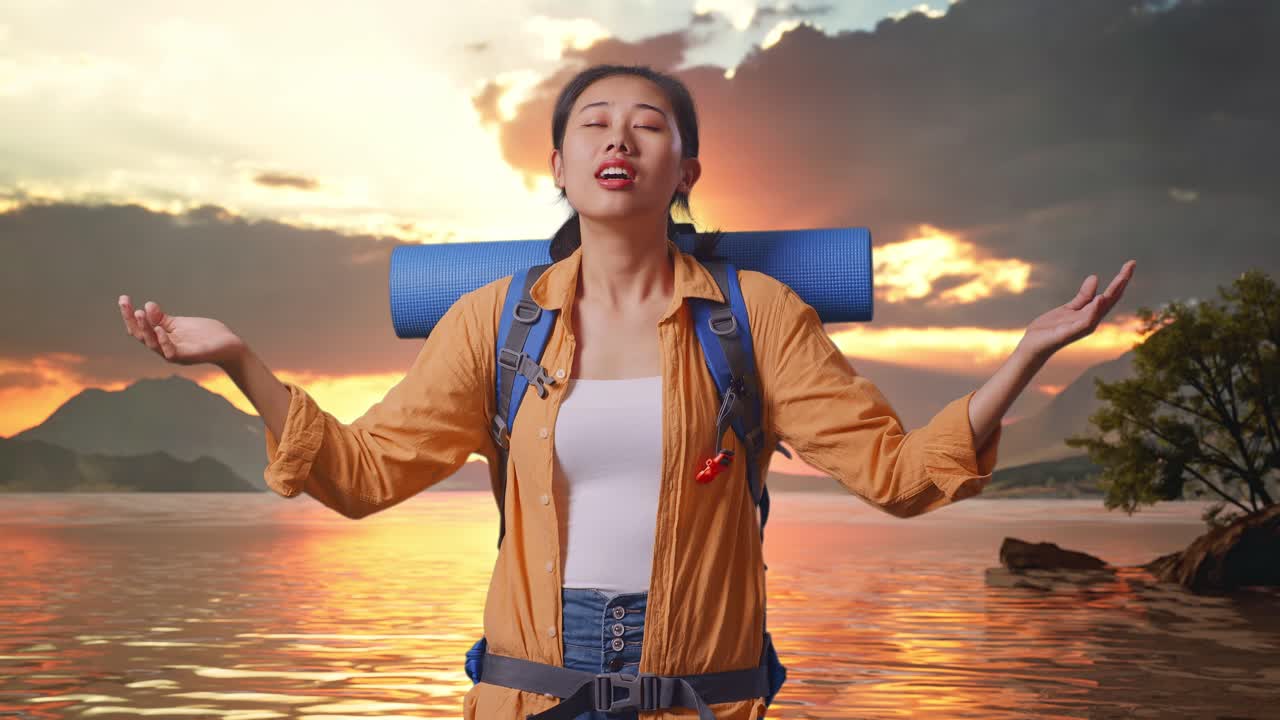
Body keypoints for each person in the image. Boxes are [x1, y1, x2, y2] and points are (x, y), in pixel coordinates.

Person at [118, 63, 1135, 719]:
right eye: (593, 125)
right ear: (556, 165)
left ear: (686, 164)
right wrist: (240, 361)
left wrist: (1023, 357)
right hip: (529, 697)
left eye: (648, 125)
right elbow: (361, 474)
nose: (619, 139)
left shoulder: (756, 317)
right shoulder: (495, 323)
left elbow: (900, 476)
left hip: (703, 699)